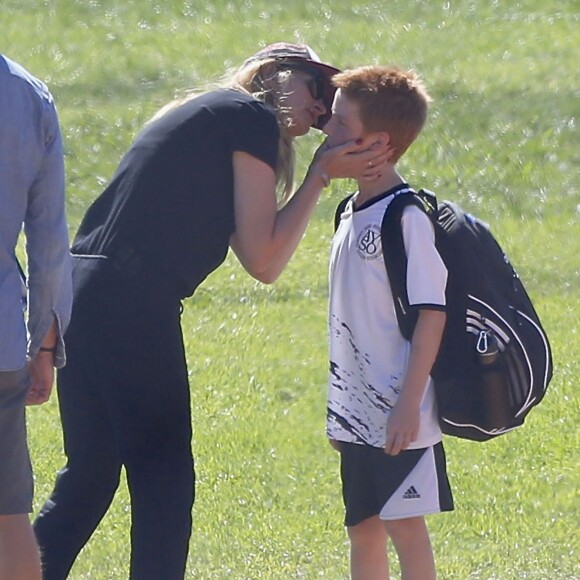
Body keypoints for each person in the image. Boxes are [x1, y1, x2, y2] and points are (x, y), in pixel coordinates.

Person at [33, 43, 387, 579]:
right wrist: (318, 176)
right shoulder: (244, 115)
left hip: (83, 290)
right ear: (277, 71)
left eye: (326, 111)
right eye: (318, 88)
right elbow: (266, 260)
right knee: (164, 477)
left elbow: (259, 259)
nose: (320, 110)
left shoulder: (212, 117)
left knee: (91, 473)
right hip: (131, 298)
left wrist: (315, 174)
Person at [324, 66, 454, 580]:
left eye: (337, 123)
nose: (326, 132)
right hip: (357, 413)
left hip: (403, 412)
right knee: (364, 530)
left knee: (405, 528)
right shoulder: (346, 212)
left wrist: (407, 405)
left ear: (376, 141)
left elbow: (432, 314)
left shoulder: (406, 216)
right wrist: (341, 409)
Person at [0, 54, 72, 580]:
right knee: (7, 516)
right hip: (2, 341)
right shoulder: (28, 94)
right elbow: (49, 237)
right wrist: (44, 342)